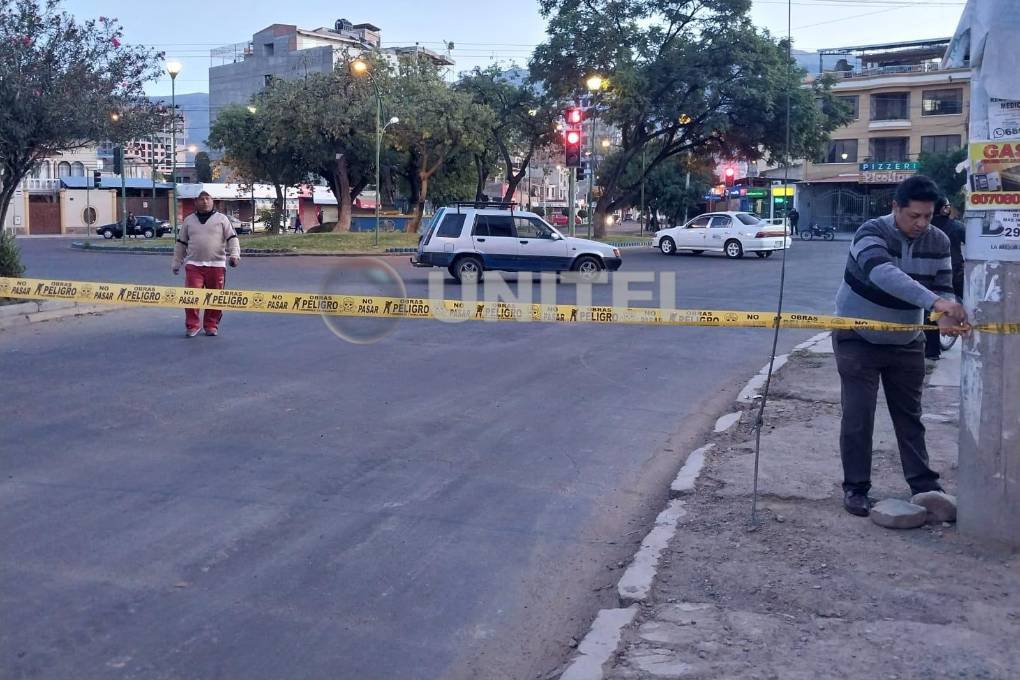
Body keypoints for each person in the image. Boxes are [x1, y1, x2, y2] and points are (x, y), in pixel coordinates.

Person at [832, 175, 968, 517]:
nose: (922, 224)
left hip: (907, 341)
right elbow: (883, 274)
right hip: (856, 338)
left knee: (910, 416)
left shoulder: (937, 240)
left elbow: (944, 284)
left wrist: (945, 314)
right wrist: (937, 304)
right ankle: (856, 489)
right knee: (858, 415)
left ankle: (924, 486)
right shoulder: (870, 233)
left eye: (928, 216)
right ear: (895, 207)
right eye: (914, 216)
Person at [172, 191, 240, 337]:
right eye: (201, 199)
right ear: (196, 202)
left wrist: (234, 255)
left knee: (215, 298)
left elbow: (232, 239)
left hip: (216, 265)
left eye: (207, 198)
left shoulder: (222, 219)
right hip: (194, 265)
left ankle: (211, 325)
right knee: (191, 296)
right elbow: (181, 243)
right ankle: (192, 325)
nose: (205, 201)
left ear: (212, 201)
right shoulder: (188, 221)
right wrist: (177, 262)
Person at [924, 197, 967, 360]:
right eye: (948, 206)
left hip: (928, 273)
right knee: (971, 301)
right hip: (954, 272)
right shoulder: (956, 226)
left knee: (931, 309)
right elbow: (973, 241)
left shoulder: (925, 226)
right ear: (943, 209)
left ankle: (932, 350)